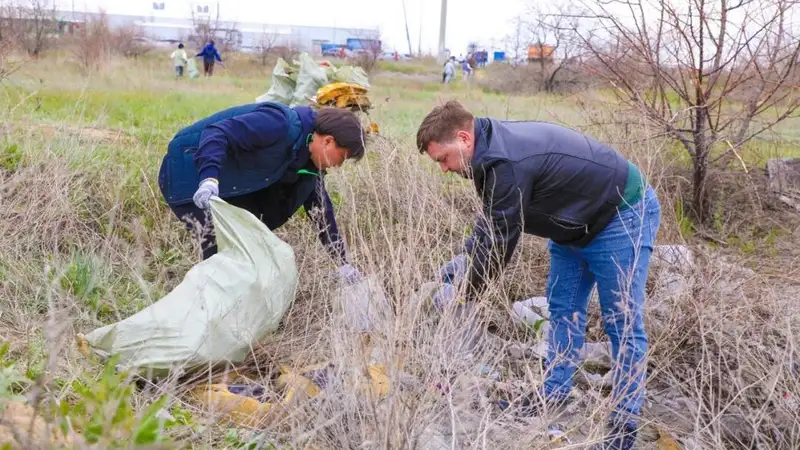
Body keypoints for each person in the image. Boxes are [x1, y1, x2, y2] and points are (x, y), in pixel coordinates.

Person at [415, 101, 661, 450]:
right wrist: (463, 261)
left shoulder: (505, 162)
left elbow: (501, 242)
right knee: (563, 312)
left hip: (621, 217)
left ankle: (624, 424)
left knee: (621, 323)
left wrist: (467, 295)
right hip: (572, 228)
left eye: (443, 159)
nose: (443, 168)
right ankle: (555, 393)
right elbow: (491, 219)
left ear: (463, 138)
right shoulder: (486, 156)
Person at [158, 102, 365, 284]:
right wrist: (209, 178)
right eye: (342, 157)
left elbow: (321, 210)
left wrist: (342, 263)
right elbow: (216, 133)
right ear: (328, 141)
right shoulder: (278, 123)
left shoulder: (310, 164)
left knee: (246, 249)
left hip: (229, 185)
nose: (338, 165)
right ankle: (206, 307)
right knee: (222, 252)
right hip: (187, 175)